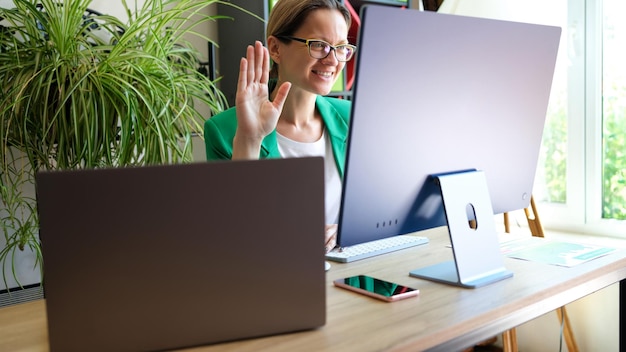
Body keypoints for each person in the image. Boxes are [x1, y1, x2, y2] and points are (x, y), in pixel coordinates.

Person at [204, 0, 356, 253]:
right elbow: (232, 238)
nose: (333, 60)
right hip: (277, 282)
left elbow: (382, 211)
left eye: (340, 48)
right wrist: (249, 139)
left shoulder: (352, 118)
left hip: (355, 280)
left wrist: (348, 230)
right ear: (275, 48)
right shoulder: (224, 130)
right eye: (318, 45)